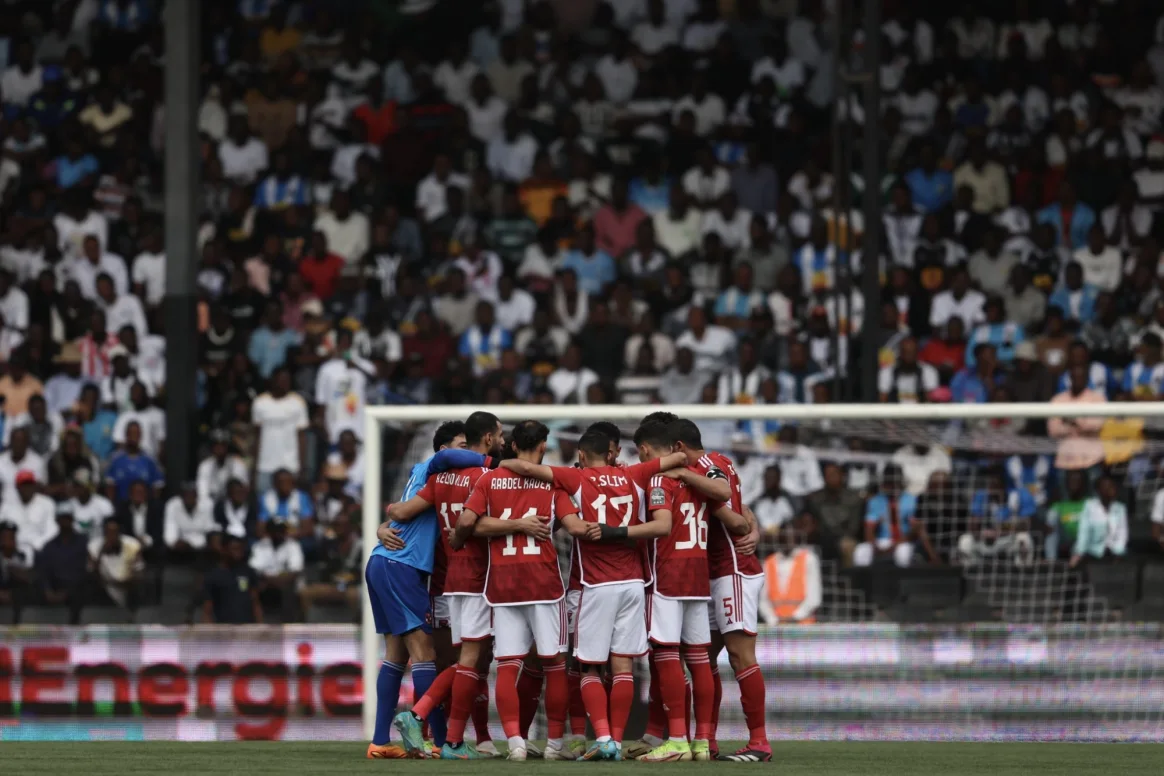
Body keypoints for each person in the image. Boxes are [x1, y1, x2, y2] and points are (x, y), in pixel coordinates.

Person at [494, 427, 688, 762]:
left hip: (595, 585)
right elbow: (680, 457)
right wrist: (677, 463)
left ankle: (600, 738)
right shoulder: (635, 474)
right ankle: (614, 737)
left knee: (588, 668)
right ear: (612, 452)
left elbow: (525, 468)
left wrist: (495, 465)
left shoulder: (576, 477)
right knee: (623, 665)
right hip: (634, 584)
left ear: (582, 455)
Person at [400, 420, 583, 761]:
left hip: (490, 585)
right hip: (529, 584)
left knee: (499, 664)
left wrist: (389, 525)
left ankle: (508, 741)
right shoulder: (554, 484)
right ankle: (553, 744)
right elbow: (570, 525)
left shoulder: (481, 478)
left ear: (513, 446)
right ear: (543, 446)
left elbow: (461, 521)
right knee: (551, 663)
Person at [363, 420, 496, 760]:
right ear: (443, 449)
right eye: (461, 444)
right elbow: (443, 467)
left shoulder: (432, 479)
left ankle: (380, 741)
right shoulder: (434, 466)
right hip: (400, 566)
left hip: (386, 562)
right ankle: (439, 740)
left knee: (396, 655)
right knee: (425, 654)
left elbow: (401, 510)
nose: (467, 450)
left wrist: (385, 524)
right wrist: (491, 462)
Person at [633, 420, 750, 763]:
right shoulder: (702, 481)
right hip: (699, 579)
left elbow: (660, 525)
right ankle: (702, 742)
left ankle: (678, 741)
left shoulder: (659, 479)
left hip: (668, 577)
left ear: (647, 450)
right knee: (700, 660)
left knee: (667, 655)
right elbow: (726, 498)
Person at [202, 534, 262, 624]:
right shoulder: (213, 576)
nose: (238, 553)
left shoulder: (248, 572)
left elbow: (255, 602)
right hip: (224, 629)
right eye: (234, 549)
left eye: (240, 549)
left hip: (247, 627)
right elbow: (207, 610)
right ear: (224, 550)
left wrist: (260, 625)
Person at [87, 517, 143, 609]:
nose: (111, 536)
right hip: (104, 589)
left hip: (127, 587)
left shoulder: (132, 545)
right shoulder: (93, 546)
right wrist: (101, 552)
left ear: (119, 533)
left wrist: (124, 583)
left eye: (114, 532)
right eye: (108, 532)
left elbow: (139, 572)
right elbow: (91, 573)